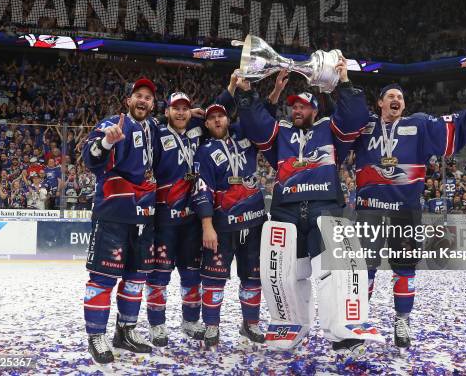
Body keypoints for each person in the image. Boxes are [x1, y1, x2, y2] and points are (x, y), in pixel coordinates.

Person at [352, 75, 466, 350]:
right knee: (363, 271)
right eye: (390, 96)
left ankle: (402, 320)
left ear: (404, 105)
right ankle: (356, 321)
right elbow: (339, 123)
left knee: (405, 270)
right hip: (369, 211)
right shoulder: (363, 126)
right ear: (380, 102)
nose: (396, 99)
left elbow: (460, 120)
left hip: (404, 213)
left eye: (400, 97)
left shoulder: (418, 124)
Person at [236, 60, 372, 356]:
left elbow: (357, 115)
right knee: (285, 275)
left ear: (314, 110)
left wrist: (344, 82)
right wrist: (245, 92)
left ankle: (343, 332)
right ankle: (290, 326)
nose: (296, 111)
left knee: (334, 272)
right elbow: (254, 123)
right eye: (293, 107)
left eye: (302, 106)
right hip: (286, 213)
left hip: (326, 209)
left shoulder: (331, 129)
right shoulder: (279, 133)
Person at [81, 78, 158, 364]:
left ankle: (125, 331)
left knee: (136, 278)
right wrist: (105, 142)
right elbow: (90, 159)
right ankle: (96, 335)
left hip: (144, 215)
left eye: (148, 97)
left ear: (153, 104)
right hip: (113, 214)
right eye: (138, 95)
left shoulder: (153, 128)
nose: (143, 100)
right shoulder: (113, 124)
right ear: (128, 100)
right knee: (102, 278)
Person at [192, 82, 269, 350]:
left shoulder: (243, 134)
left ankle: (250, 324)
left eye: (221, 115)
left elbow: (261, 116)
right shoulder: (204, 151)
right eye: (212, 117)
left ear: (228, 118)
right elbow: (202, 188)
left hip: (255, 221)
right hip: (223, 225)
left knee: (253, 277)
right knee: (213, 278)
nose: (216, 119)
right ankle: (212, 326)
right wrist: (207, 225)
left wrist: (271, 94)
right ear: (207, 123)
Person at [145, 90, 210, 346]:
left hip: (192, 218)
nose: (181, 112)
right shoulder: (159, 134)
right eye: (176, 108)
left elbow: (218, 111)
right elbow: (141, 122)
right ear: (167, 112)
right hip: (164, 218)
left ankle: (190, 320)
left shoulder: (196, 132)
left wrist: (230, 87)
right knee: (159, 275)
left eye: (185, 108)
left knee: (192, 274)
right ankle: (156, 325)